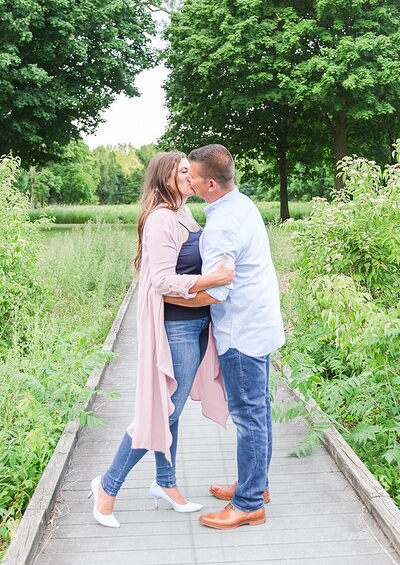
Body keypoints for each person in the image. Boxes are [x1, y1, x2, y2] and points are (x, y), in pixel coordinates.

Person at [89, 151, 234, 528]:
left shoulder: (184, 213)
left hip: (198, 324)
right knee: (160, 410)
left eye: (192, 170)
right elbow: (162, 281)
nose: (191, 175)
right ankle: (107, 486)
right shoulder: (160, 220)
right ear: (165, 178)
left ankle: (165, 483)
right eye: (183, 171)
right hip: (177, 328)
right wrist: (211, 281)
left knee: (173, 408)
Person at [170, 144, 285, 530]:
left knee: (248, 415)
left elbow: (216, 290)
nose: (189, 180)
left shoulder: (221, 225)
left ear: (212, 184)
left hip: (242, 330)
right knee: (259, 409)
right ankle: (257, 484)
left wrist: (167, 294)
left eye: (194, 178)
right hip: (259, 322)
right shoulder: (240, 203)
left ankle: (249, 502)